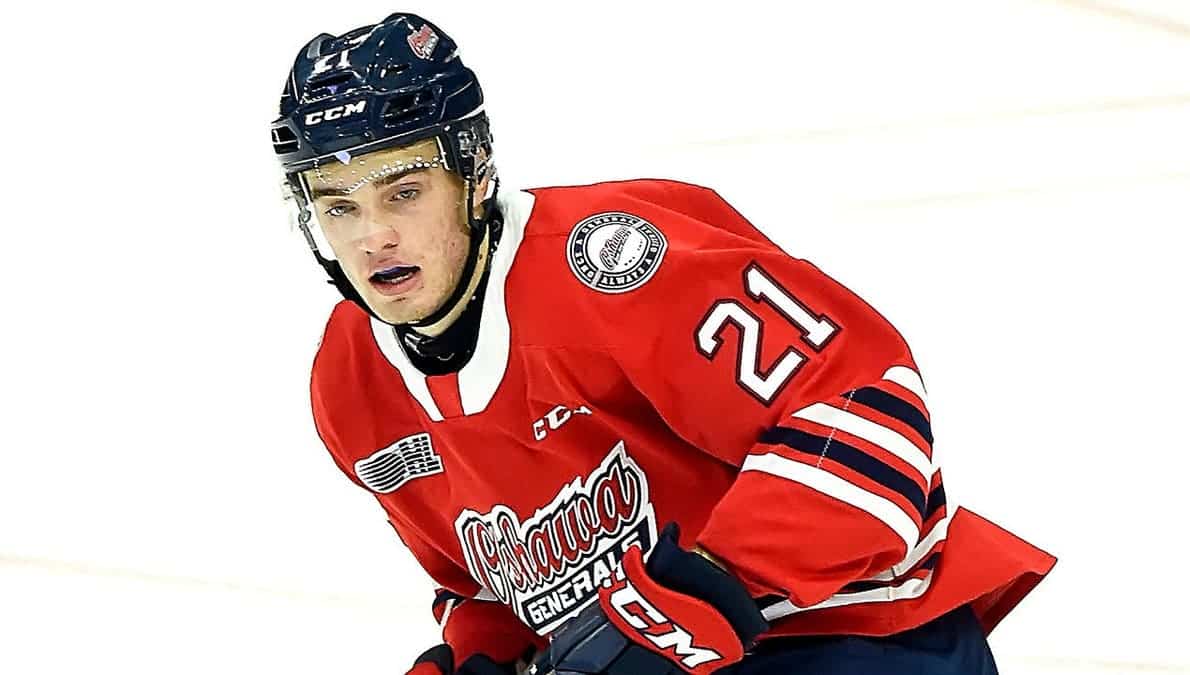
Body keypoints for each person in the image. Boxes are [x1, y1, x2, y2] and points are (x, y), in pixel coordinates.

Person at [270, 12, 1055, 675]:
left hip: (842, 635)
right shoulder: (352, 384)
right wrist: (476, 657)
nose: (373, 236)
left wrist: (705, 591)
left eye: (403, 191)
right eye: (338, 206)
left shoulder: (609, 261)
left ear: (473, 174)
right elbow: (485, 585)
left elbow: (869, 409)